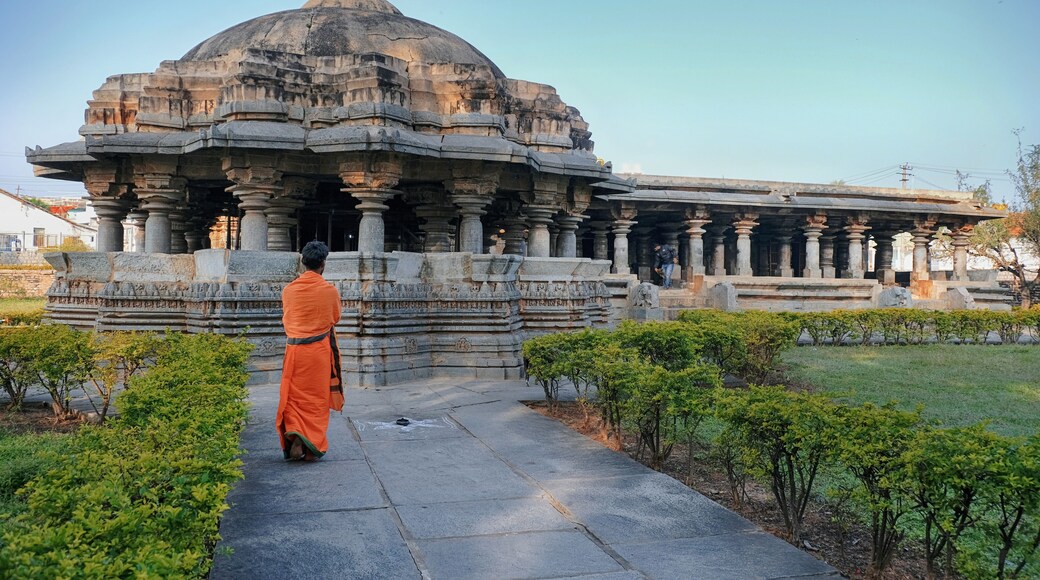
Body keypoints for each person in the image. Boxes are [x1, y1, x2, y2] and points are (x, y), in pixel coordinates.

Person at [276, 240, 344, 461]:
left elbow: (287, 320)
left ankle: (296, 436)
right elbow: (335, 318)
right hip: (318, 353)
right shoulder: (329, 291)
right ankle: (311, 445)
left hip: (295, 352)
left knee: (294, 398)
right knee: (316, 399)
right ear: (323, 264)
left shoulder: (289, 290)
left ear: (303, 262)